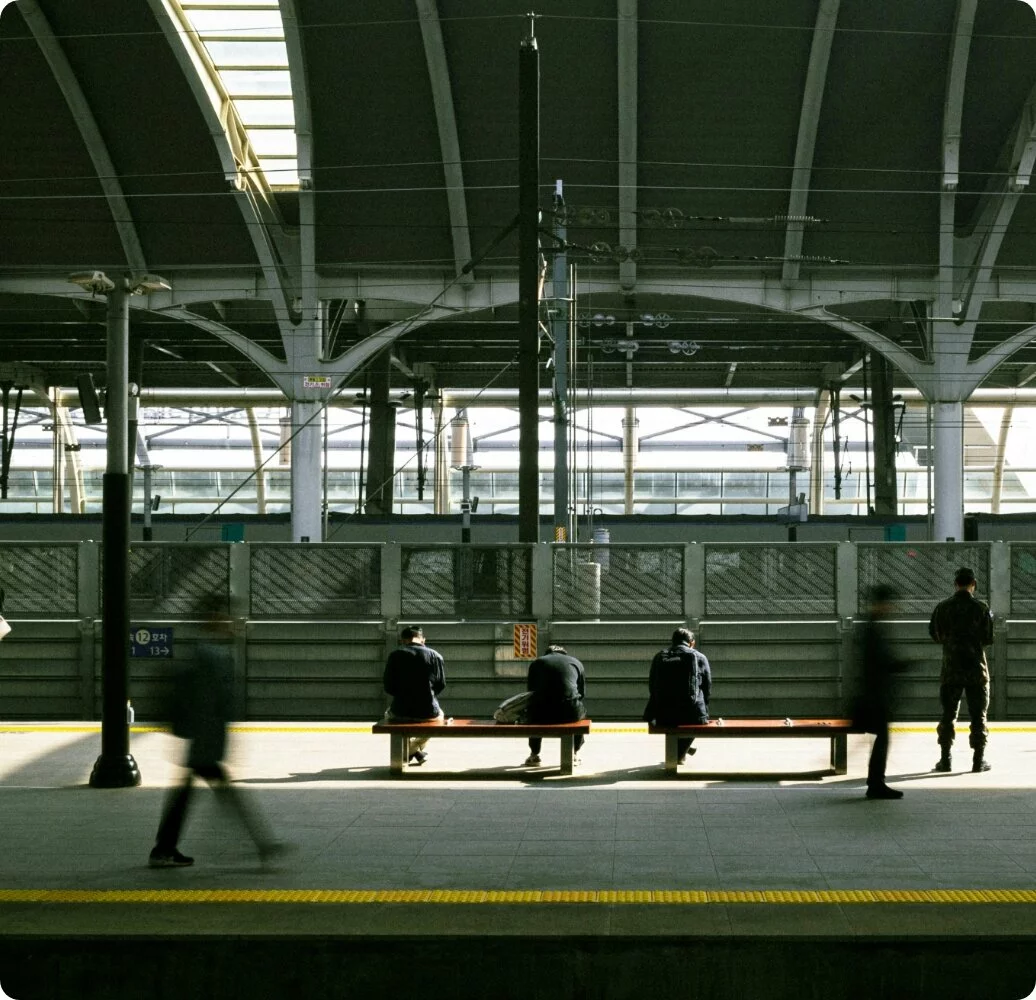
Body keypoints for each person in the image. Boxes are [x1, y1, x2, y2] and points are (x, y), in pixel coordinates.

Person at [150, 602, 284, 868]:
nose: (230, 621)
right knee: (223, 795)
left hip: (202, 739)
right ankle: (262, 845)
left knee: (188, 795)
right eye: (224, 616)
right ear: (213, 618)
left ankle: (164, 847)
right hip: (205, 739)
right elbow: (210, 701)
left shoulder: (204, 651)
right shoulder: (209, 654)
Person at [929, 566, 995, 773]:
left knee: (948, 714)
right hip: (976, 669)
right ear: (973, 585)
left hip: (951, 669)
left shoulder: (943, 607)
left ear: (955, 584)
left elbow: (935, 634)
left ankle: (946, 759)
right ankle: (978, 761)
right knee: (978, 715)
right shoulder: (982, 608)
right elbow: (988, 638)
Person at [854, 584, 908, 800]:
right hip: (875, 694)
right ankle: (876, 783)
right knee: (883, 737)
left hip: (874, 692)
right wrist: (900, 666)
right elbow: (879, 662)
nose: (891, 608)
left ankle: (875, 781)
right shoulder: (872, 628)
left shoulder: (870, 625)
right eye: (888, 603)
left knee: (882, 737)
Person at [643, 627, 711, 765]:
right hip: (692, 715)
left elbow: (652, 685)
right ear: (691, 642)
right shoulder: (699, 657)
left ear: (673, 641)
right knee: (699, 716)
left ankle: (681, 751)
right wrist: (705, 709)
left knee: (678, 721)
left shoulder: (660, 657)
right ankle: (680, 753)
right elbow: (707, 687)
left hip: (664, 714)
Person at [382, 625, 446, 766]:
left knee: (388, 715)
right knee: (440, 717)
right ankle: (414, 750)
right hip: (428, 711)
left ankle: (410, 751)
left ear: (403, 640)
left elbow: (388, 686)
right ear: (423, 639)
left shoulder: (395, 655)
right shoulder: (435, 656)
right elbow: (441, 684)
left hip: (400, 711)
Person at [523, 644, 587, 767]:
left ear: (547, 653)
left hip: (542, 713)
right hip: (569, 712)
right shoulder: (576, 662)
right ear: (564, 654)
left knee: (534, 710)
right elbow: (582, 693)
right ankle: (575, 754)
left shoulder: (537, 662)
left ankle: (534, 755)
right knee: (580, 711)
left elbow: (530, 692)